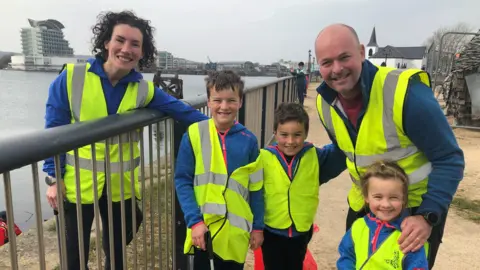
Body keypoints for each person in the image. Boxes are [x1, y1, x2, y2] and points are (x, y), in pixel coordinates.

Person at [42, 10, 209, 270]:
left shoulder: (143, 88)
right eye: (120, 40)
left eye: (135, 44)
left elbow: (182, 111)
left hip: (120, 187)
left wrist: (227, 127)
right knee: (74, 257)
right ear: (106, 42)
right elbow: (53, 131)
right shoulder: (72, 78)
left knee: (117, 254)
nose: (126, 49)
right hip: (76, 185)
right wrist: (53, 178)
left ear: (142, 52)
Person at [314, 23, 464, 269]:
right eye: (327, 62)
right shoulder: (325, 103)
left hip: (413, 212)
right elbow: (346, 151)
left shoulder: (406, 94)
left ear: (362, 52)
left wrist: (427, 216)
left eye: (344, 57)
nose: (337, 69)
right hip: (365, 208)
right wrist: (294, 166)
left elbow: (450, 158)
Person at [174, 70, 264, 270]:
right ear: (208, 102)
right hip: (204, 230)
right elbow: (183, 180)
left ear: (240, 101)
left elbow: (256, 188)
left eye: (231, 100)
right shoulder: (194, 134)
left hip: (235, 233)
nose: (224, 106)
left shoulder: (249, 140)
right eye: (218, 100)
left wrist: (258, 226)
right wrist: (194, 221)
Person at [259, 102, 345, 270]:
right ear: (274, 133)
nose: (290, 141)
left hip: (301, 232)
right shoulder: (263, 158)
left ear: (306, 133)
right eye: (284, 134)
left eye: (297, 134)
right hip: (271, 232)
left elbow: (343, 149)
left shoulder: (316, 156)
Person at [337, 160, 429, 269]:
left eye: (393, 197)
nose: (385, 204)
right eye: (378, 197)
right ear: (366, 197)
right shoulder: (358, 227)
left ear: (403, 199)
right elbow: (347, 256)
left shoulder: (410, 236)